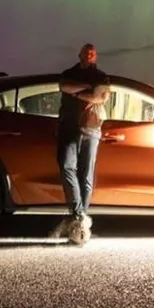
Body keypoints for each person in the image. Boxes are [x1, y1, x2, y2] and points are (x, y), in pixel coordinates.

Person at [52, 43, 110, 244]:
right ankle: (80, 216)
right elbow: (63, 86)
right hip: (69, 127)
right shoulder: (68, 73)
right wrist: (87, 89)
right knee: (67, 166)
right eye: (86, 51)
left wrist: (76, 92)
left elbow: (100, 96)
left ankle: (79, 223)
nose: (89, 54)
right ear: (80, 54)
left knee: (85, 174)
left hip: (91, 128)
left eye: (92, 52)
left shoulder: (102, 76)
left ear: (96, 56)